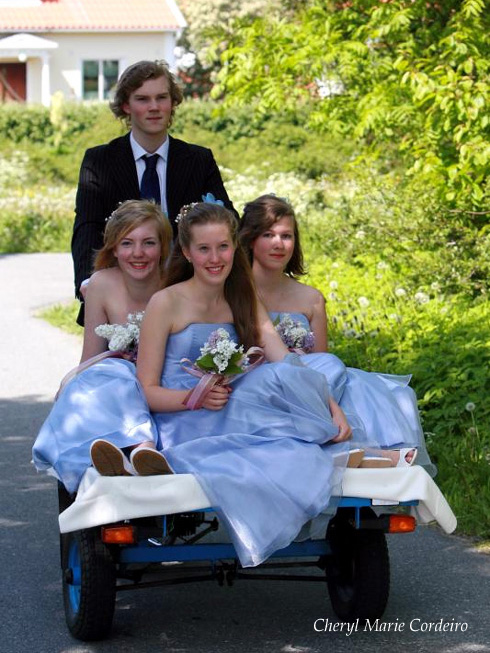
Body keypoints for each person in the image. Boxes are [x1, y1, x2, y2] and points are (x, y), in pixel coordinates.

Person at [112, 200, 351, 568]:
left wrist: (328, 405)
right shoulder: (166, 303)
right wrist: (195, 397)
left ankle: (325, 430)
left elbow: (285, 360)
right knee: (272, 405)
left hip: (235, 405)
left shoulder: (242, 295)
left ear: (234, 248)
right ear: (188, 252)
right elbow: (145, 390)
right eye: (204, 248)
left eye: (222, 247)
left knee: (312, 368)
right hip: (185, 417)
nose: (215, 258)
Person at [238, 194, 435, 472]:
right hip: (261, 383)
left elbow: (321, 362)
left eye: (287, 236)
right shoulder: (236, 292)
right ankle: (356, 451)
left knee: (384, 391)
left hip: (311, 383)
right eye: (268, 234)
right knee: (329, 368)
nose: (278, 244)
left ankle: (371, 458)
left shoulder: (311, 298)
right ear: (250, 239)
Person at [72, 59, 236, 325]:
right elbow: (87, 226)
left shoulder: (198, 160)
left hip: (188, 294)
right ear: (126, 106)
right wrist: (89, 281)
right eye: (142, 99)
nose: (154, 107)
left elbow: (228, 220)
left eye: (162, 97)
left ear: (173, 103)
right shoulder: (99, 161)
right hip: (122, 295)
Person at [32, 200, 172, 493]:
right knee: (112, 373)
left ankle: (142, 454)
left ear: (162, 246)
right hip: (120, 380)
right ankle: (135, 453)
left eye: (148, 243)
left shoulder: (175, 284)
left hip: (165, 377)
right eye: (127, 243)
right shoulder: (101, 284)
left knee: (123, 377)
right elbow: (93, 355)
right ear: (113, 248)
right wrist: (71, 381)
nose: (138, 253)